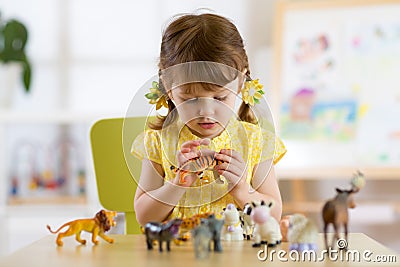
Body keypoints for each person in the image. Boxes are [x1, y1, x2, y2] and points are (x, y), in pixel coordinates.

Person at [131, 13, 287, 229]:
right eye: (190, 99)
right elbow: (144, 216)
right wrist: (178, 184)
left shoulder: (257, 142)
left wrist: (243, 191)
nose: (206, 111)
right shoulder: (158, 142)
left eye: (220, 97)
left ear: (240, 82)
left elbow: (274, 215)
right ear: (168, 87)